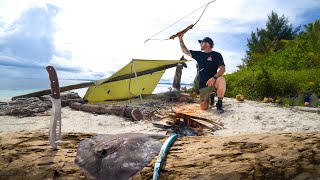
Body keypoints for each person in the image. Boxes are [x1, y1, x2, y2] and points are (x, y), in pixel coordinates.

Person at [178, 34, 226, 113]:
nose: (200, 44)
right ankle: (211, 97)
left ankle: (219, 104)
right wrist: (180, 39)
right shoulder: (199, 55)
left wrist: (214, 78)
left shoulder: (217, 55)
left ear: (207, 44)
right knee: (203, 107)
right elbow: (185, 51)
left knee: (222, 80)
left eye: (201, 42)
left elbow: (222, 69)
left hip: (214, 82)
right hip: (203, 85)